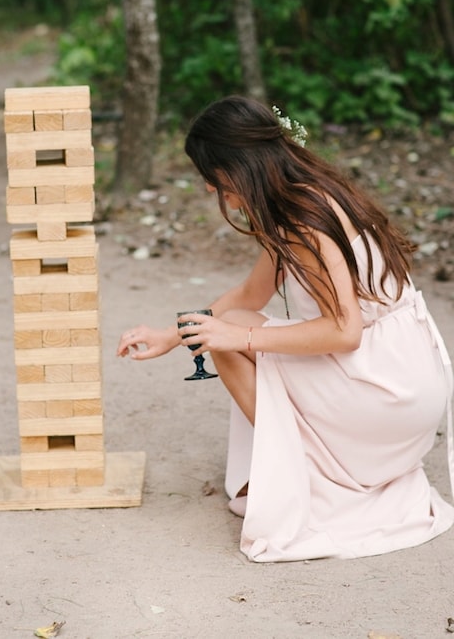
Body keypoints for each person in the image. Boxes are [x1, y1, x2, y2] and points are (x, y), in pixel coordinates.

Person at [116, 95, 454, 562]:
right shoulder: (299, 197)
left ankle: (308, 481)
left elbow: (344, 332)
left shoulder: (305, 220)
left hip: (389, 388)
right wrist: (171, 334)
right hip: (402, 371)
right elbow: (249, 296)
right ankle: (308, 468)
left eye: (213, 181)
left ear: (237, 168)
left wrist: (242, 338)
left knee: (230, 338)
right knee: (227, 327)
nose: (216, 195)